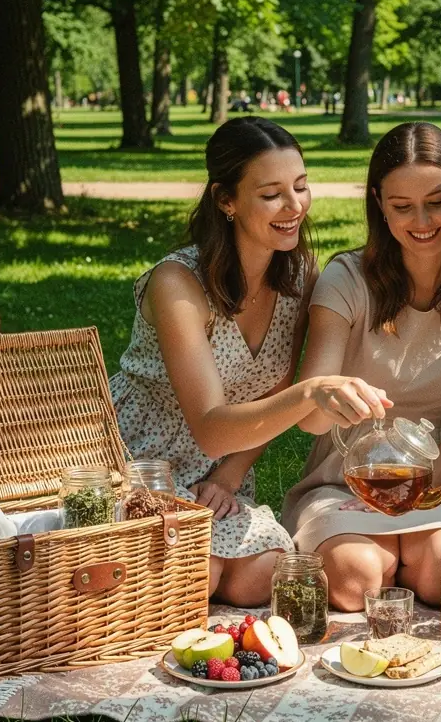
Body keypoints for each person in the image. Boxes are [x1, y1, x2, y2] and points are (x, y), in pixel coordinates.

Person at [110, 117, 389, 605]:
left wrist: (230, 476)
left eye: (301, 187)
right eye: (271, 194)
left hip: (223, 466)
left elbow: (269, 391)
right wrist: (308, 392)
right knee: (203, 577)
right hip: (140, 461)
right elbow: (211, 426)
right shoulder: (177, 285)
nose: (294, 206)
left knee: (264, 578)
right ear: (226, 200)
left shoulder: (299, 274)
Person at [282, 122, 441, 611]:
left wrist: (418, 490)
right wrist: (325, 395)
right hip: (345, 482)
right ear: (379, 206)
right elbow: (311, 418)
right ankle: (386, 555)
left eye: (437, 201)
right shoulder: (345, 280)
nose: (422, 221)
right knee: (353, 581)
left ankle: (409, 554)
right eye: (402, 207)